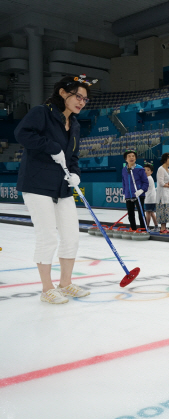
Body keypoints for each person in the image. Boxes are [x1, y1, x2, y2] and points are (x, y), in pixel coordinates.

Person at [14, 75, 94, 304]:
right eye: (78, 96)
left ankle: (66, 283)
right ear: (63, 93)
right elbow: (22, 133)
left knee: (71, 236)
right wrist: (51, 147)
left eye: (85, 99)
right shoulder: (42, 113)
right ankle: (47, 288)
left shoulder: (75, 124)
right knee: (47, 236)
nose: (81, 102)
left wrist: (76, 173)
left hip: (62, 187)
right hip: (38, 184)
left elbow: (74, 155)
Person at [121, 150, 148, 231]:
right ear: (126, 159)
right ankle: (133, 229)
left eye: (133, 156)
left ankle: (144, 229)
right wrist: (124, 193)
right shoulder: (124, 169)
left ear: (135, 158)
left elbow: (145, 182)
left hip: (138, 194)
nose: (131, 158)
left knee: (141, 213)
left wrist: (141, 190)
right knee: (130, 213)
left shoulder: (140, 169)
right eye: (129, 156)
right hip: (128, 194)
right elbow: (124, 182)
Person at [156, 153, 169, 235]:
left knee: (167, 210)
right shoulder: (161, 169)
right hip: (162, 194)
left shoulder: (168, 170)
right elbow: (160, 183)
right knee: (163, 210)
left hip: (168, 194)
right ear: (165, 160)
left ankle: (164, 227)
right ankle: (162, 229)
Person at [144, 163, 158, 231]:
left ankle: (147, 227)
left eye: (148, 170)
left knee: (148, 213)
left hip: (149, 199)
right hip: (151, 198)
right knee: (151, 213)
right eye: (144, 170)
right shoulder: (148, 178)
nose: (146, 171)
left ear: (151, 172)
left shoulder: (148, 178)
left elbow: (144, 188)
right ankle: (156, 226)